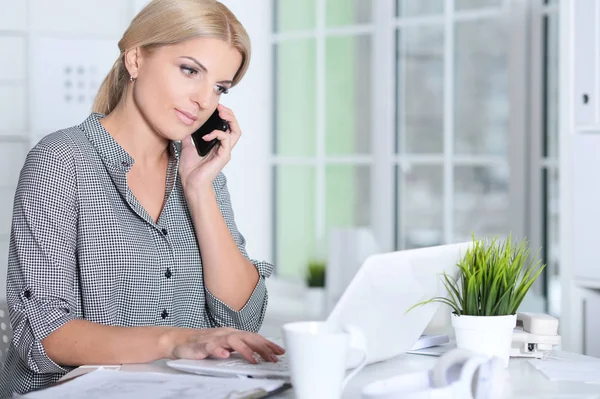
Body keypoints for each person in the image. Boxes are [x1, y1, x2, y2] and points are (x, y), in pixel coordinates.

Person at [0, 0, 284, 395]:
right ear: (135, 59)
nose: (204, 100)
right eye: (190, 70)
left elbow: (243, 317)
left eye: (219, 87)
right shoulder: (61, 162)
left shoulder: (202, 173)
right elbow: (45, 333)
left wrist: (199, 189)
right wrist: (174, 341)